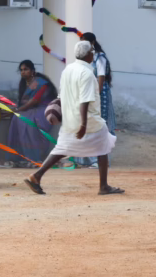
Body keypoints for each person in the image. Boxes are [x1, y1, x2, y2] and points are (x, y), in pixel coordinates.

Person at [24, 41, 123, 196]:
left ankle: (36, 176)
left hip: (70, 119)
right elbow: (85, 100)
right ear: (88, 55)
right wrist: (83, 124)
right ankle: (103, 186)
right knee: (103, 146)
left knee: (62, 149)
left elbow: (61, 95)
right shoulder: (87, 74)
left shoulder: (68, 69)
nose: (93, 53)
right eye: (92, 51)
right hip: (88, 120)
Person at [7, 60, 58, 166]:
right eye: (21, 70)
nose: (23, 72)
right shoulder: (24, 83)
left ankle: (35, 157)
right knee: (17, 118)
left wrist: (19, 110)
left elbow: (35, 101)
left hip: (45, 109)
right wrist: (17, 110)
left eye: (26, 69)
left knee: (28, 120)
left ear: (32, 71)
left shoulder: (40, 83)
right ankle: (20, 157)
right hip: (31, 109)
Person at [76, 32, 116, 168]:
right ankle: (86, 160)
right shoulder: (85, 59)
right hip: (87, 94)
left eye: (85, 42)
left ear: (92, 43)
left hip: (99, 96)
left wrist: (96, 96)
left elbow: (101, 77)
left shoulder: (100, 57)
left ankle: (98, 161)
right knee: (86, 125)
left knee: (99, 126)